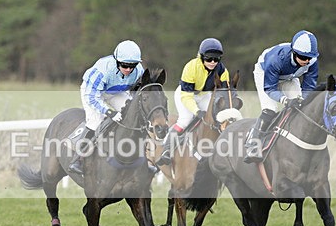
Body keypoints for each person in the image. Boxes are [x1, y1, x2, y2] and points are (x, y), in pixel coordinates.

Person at [68, 39, 145, 176]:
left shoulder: (139, 71)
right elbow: (92, 97)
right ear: (116, 61)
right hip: (93, 92)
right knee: (96, 121)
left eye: (132, 66)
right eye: (124, 65)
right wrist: (110, 112)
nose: (128, 70)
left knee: (134, 115)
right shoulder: (102, 69)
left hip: (116, 92)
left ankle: (142, 158)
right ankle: (77, 160)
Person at [244, 29, 320, 163]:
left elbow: (309, 87)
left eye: (309, 58)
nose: (307, 61)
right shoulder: (276, 59)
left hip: (290, 77)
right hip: (265, 74)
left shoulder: (312, 61)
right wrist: (284, 99)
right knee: (270, 110)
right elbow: (270, 88)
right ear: (294, 52)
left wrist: (302, 100)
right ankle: (252, 142)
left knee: (299, 107)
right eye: (303, 57)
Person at [156, 37, 229, 167]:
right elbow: (186, 96)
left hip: (204, 94)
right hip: (186, 94)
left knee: (216, 117)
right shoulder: (191, 67)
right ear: (201, 57)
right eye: (209, 59)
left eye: (216, 59)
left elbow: (224, 93)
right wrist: (197, 111)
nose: (212, 62)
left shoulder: (222, 71)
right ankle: (166, 150)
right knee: (186, 119)